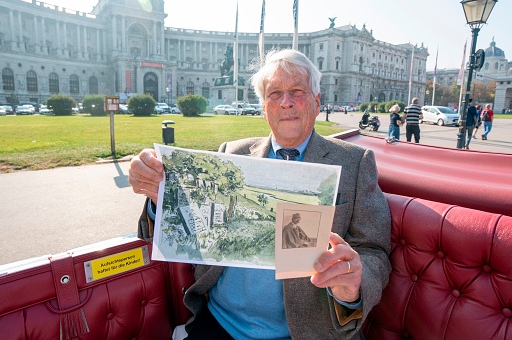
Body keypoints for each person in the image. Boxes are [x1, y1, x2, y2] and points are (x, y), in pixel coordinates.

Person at [129, 48, 391, 340]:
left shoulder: (355, 163)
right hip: (218, 322)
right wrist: (158, 196)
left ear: (317, 103)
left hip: (307, 332)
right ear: (264, 108)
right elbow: (166, 231)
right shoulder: (231, 153)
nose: (286, 103)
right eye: (274, 94)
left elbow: (375, 251)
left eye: (297, 91)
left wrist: (354, 284)